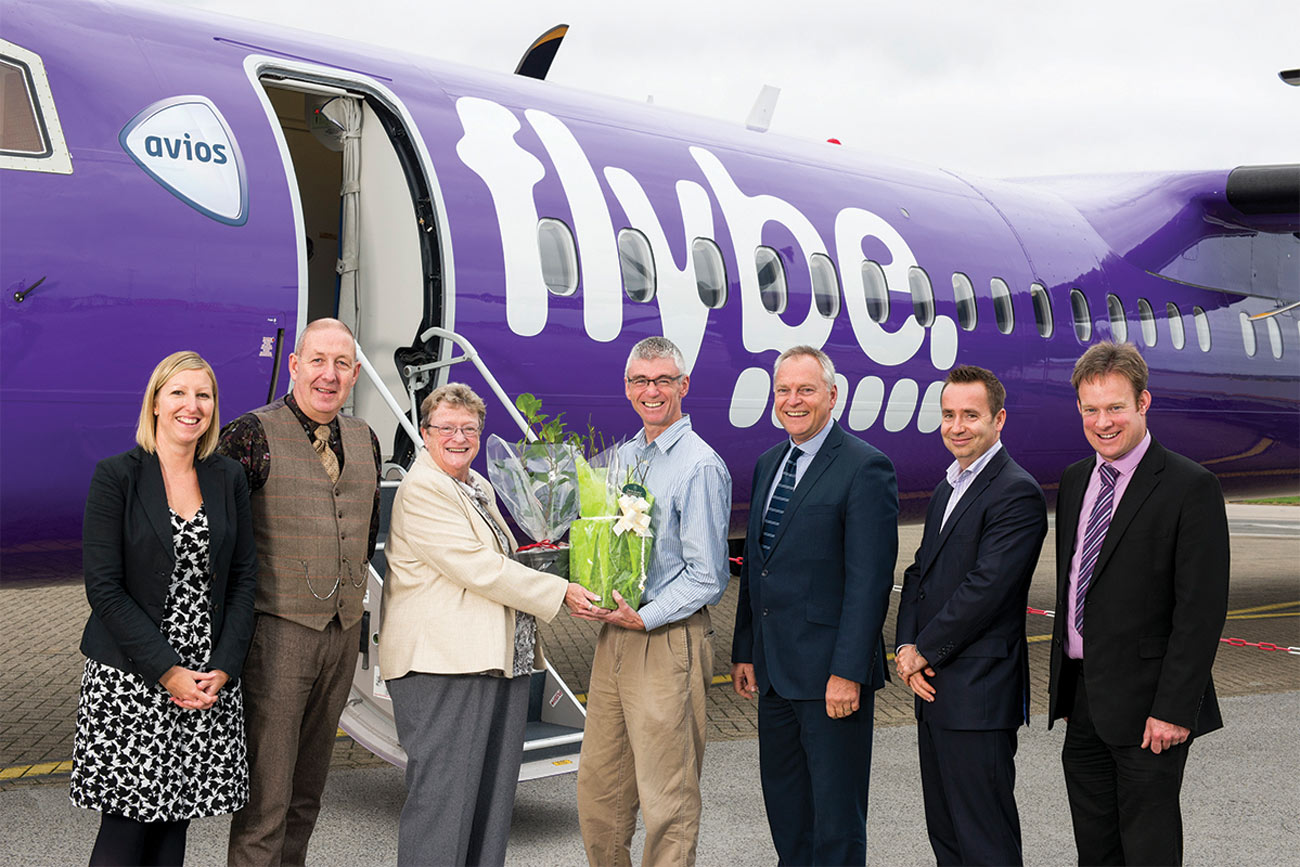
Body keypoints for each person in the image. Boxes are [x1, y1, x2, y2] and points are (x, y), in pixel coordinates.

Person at [379, 383, 597, 867]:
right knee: (443, 807)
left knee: (488, 806)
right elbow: (479, 567)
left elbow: (503, 556)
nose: (458, 438)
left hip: (495, 664)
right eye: (447, 428)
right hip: (444, 669)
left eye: (469, 429)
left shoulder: (474, 485)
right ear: (424, 433)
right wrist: (559, 590)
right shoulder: (423, 490)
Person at [71, 351, 257, 866]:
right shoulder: (117, 476)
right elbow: (104, 589)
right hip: (131, 677)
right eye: (178, 392)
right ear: (155, 402)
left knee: (174, 826)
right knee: (126, 829)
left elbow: (244, 579)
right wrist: (166, 670)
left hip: (203, 677)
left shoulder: (227, 478)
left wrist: (224, 665)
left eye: (203, 394)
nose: (191, 405)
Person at [1048, 341, 1229, 866]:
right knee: (1095, 849)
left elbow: (1200, 612)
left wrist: (1174, 710)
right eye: (1090, 409)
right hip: (1084, 701)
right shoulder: (1076, 479)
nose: (1103, 422)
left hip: (1152, 710)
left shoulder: (1190, 486)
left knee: (1148, 850)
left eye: (1115, 407)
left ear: (1143, 403)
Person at [221, 318, 382, 866]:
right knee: (266, 799)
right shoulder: (249, 434)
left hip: (342, 635)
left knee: (308, 791)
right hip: (277, 636)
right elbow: (223, 546)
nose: (329, 375)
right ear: (294, 365)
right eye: (317, 361)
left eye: (342, 364)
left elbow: (366, 532)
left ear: (356, 373)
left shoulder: (365, 438)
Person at [731, 345, 898, 866]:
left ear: (832, 395)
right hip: (776, 675)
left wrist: (848, 672)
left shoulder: (865, 467)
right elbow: (757, 566)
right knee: (787, 812)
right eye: (784, 390)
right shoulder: (768, 464)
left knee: (836, 821)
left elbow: (869, 583)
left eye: (805, 390)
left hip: (831, 680)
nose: (793, 400)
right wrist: (744, 650)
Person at [574, 336, 732, 867]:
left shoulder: (700, 466)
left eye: (664, 380)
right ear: (627, 388)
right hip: (614, 636)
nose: (652, 390)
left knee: (668, 801)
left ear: (683, 386)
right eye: (640, 380)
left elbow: (707, 577)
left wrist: (644, 616)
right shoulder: (622, 457)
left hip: (666, 640)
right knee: (599, 792)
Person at [894, 365, 1047, 866]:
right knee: (948, 837)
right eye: (948, 415)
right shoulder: (949, 485)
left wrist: (922, 651)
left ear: (998, 419)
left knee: (986, 840)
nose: (957, 426)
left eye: (971, 416)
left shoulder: (1016, 491)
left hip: (978, 693)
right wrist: (903, 645)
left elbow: (986, 590)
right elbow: (919, 574)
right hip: (938, 691)